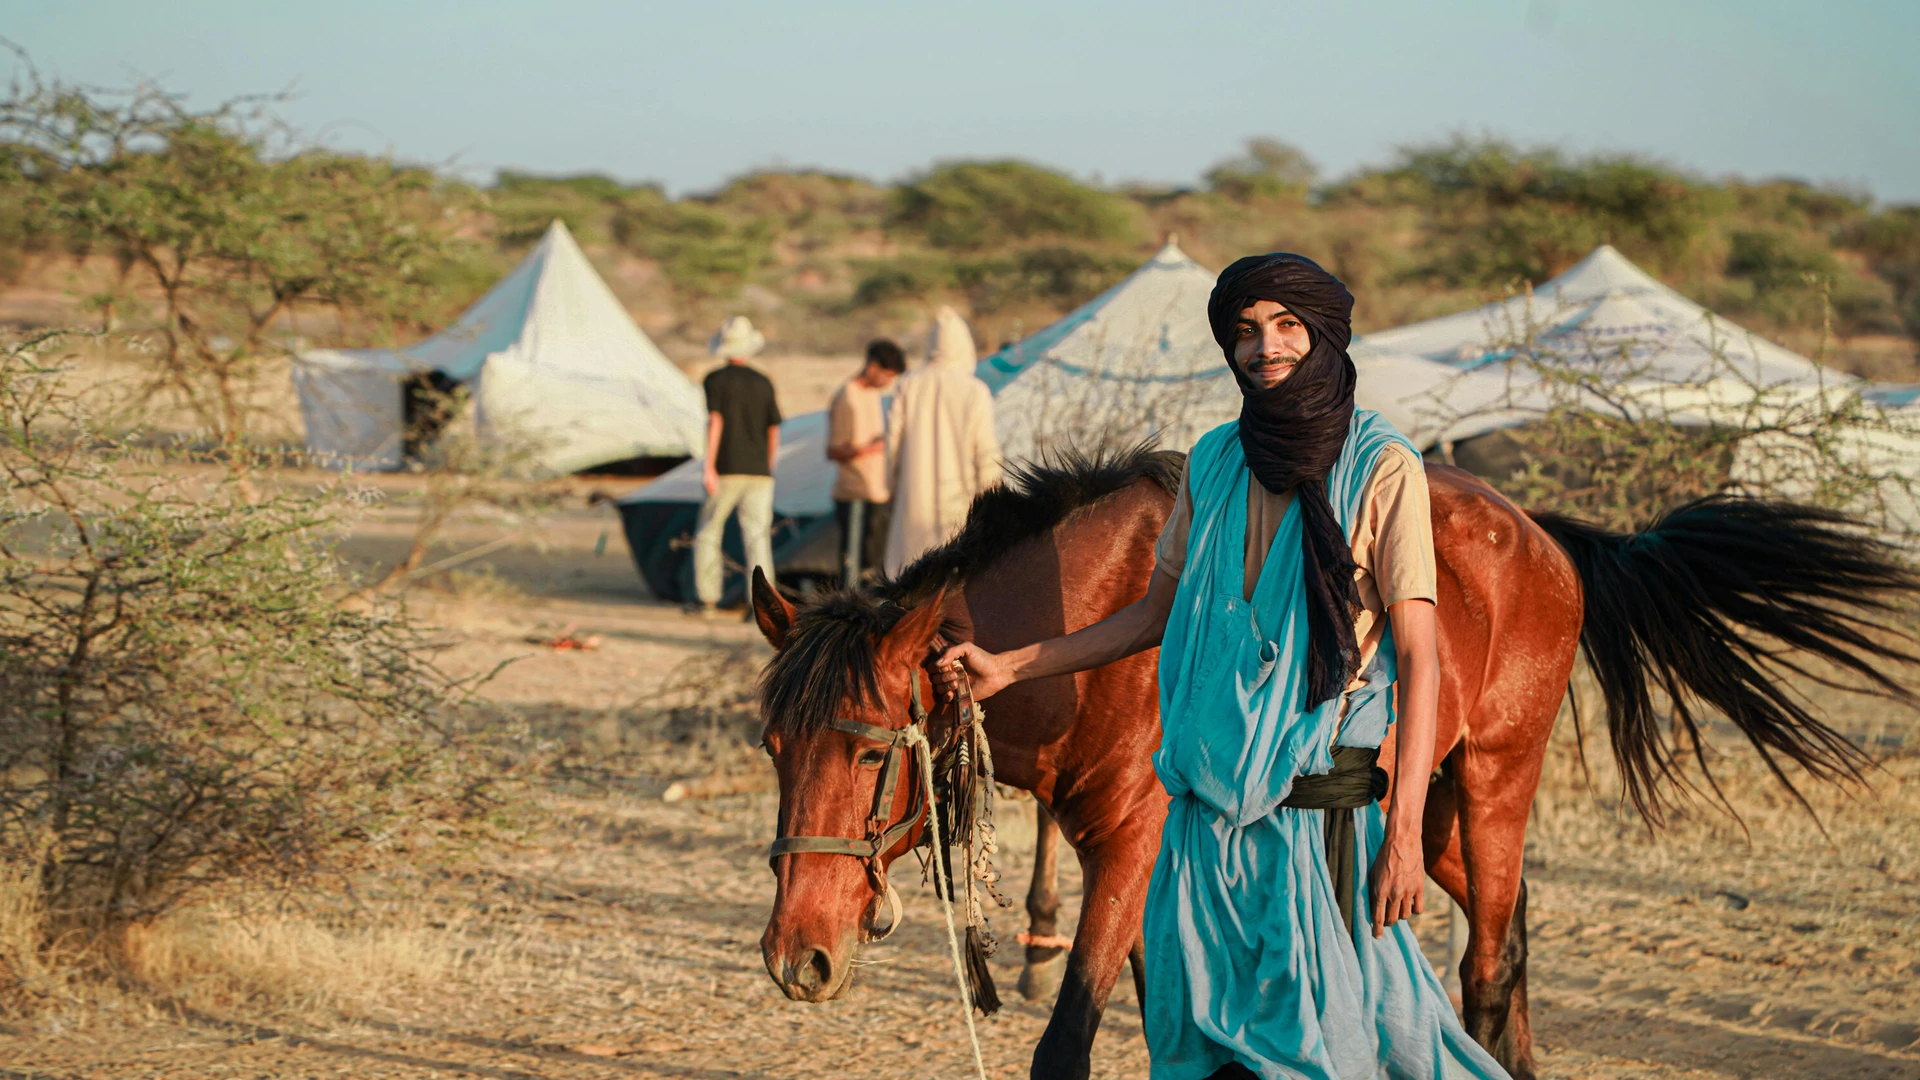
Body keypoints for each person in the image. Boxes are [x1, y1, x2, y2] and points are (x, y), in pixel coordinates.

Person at [936, 255, 1509, 1080]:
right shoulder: (1212, 461)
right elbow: (1153, 617)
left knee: (1344, 1049)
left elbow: (1418, 654)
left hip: (1321, 824)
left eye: (1284, 325)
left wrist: (1408, 836)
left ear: (1322, 335)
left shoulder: (1383, 465)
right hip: (1204, 824)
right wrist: (1011, 665)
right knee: (1203, 1046)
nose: (1264, 347)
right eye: (1244, 331)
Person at [881, 306, 1000, 577]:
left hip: (913, 495)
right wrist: (992, 500)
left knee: (908, 573)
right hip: (959, 498)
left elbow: (892, 446)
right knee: (953, 575)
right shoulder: (974, 391)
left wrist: (890, 488)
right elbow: (987, 454)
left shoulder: (908, 384)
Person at [690, 316, 781, 617]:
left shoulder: (715, 379)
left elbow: (716, 421)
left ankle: (708, 598)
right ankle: (764, 608)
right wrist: (768, 465)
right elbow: (773, 429)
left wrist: (709, 466)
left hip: (727, 467)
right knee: (757, 538)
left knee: (708, 532)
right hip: (759, 472)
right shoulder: (764, 381)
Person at [826, 338, 905, 583]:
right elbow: (834, 451)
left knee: (876, 566)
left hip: (876, 491)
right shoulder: (846, 397)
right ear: (872, 367)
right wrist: (874, 448)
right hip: (855, 493)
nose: (888, 383)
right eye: (887, 375)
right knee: (857, 568)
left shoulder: (871, 394)